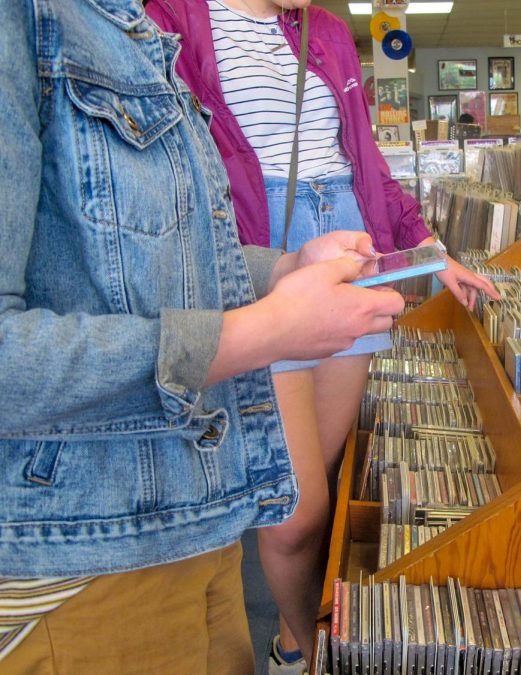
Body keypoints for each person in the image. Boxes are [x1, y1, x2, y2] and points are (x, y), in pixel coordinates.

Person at [0, 1, 405, 673]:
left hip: (189, 524)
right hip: (82, 562)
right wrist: (266, 329)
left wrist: (281, 269)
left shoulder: (122, 24)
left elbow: (165, 260)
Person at [144, 1, 500, 672]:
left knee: (325, 481)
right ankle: (310, 654)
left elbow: (364, 161)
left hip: (347, 238)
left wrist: (428, 246)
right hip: (257, 245)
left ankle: (288, 635)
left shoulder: (326, 30)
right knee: (296, 508)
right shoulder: (172, 13)